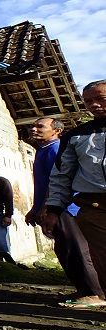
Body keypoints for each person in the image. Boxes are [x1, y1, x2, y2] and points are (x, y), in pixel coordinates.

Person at [26, 118, 104, 307]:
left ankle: (96, 293)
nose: (34, 129)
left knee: (76, 249)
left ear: (57, 131)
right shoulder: (43, 151)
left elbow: (61, 179)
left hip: (66, 209)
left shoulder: (56, 149)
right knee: (65, 249)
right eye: (33, 126)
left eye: (40, 126)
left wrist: (50, 207)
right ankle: (85, 290)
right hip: (55, 208)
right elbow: (44, 184)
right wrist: (35, 209)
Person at [43, 80, 106, 306]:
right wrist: (53, 209)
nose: (95, 105)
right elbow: (61, 176)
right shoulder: (76, 136)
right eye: (89, 102)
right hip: (95, 208)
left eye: (101, 99)